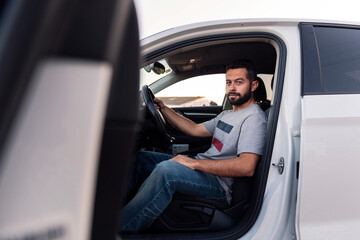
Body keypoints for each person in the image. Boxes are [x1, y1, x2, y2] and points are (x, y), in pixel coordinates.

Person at [120, 62, 267, 234]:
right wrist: (164, 108)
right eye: (229, 82)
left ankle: (121, 227)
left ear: (253, 85)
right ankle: (114, 207)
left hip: (220, 184)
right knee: (143, 159)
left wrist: (194, 164)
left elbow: (246, 166)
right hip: (204, 169)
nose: (232, 88)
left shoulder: (254, 119)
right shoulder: (228, 114)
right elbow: (194, 129)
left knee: (166, 171)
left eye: (239, 82)